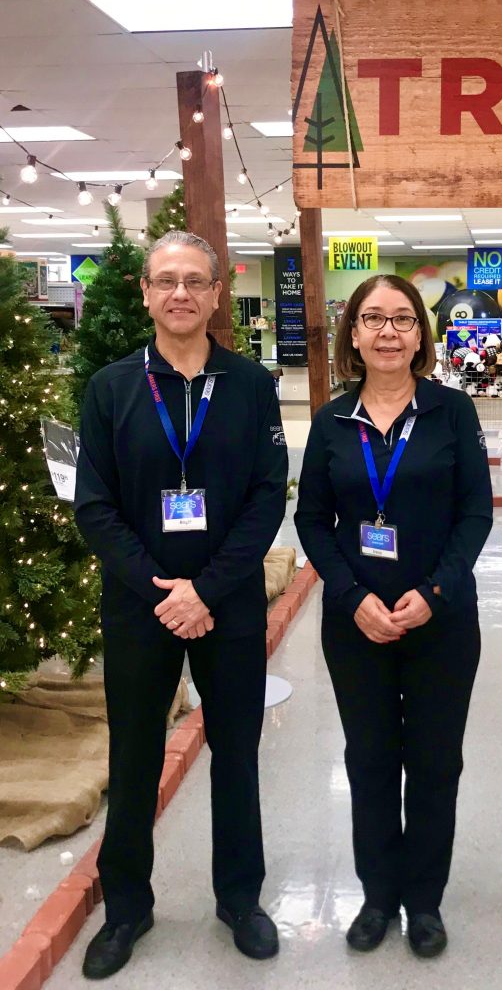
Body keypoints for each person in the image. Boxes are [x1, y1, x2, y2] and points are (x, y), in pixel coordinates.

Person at [74, 231, 288, 980]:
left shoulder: (251, 384)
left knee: (237, 753)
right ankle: (127, 906)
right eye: (166, 280)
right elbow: (93, 507)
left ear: (217, 292)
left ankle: (240, 899)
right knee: (133, 757)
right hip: (141, 605)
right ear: (144, 292)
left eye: (196, 281)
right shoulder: (109, 388)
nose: (181, 295)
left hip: (226, 603)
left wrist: (208, 589)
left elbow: (267, 499)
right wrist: (164, 592)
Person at [295, 274, 492, 958]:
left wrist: (434, 593)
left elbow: (475, 514)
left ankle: (424, 902)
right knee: (371, 761)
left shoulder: (450, 414)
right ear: (352, 334)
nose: (387, 331)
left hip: (441, 621)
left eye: (402, 320)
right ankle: (378, 896)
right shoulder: (331, 420)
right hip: (356, 624)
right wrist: (352, 598)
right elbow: (313, 521)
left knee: (435, 764)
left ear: (421, 335)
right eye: (373, 318)